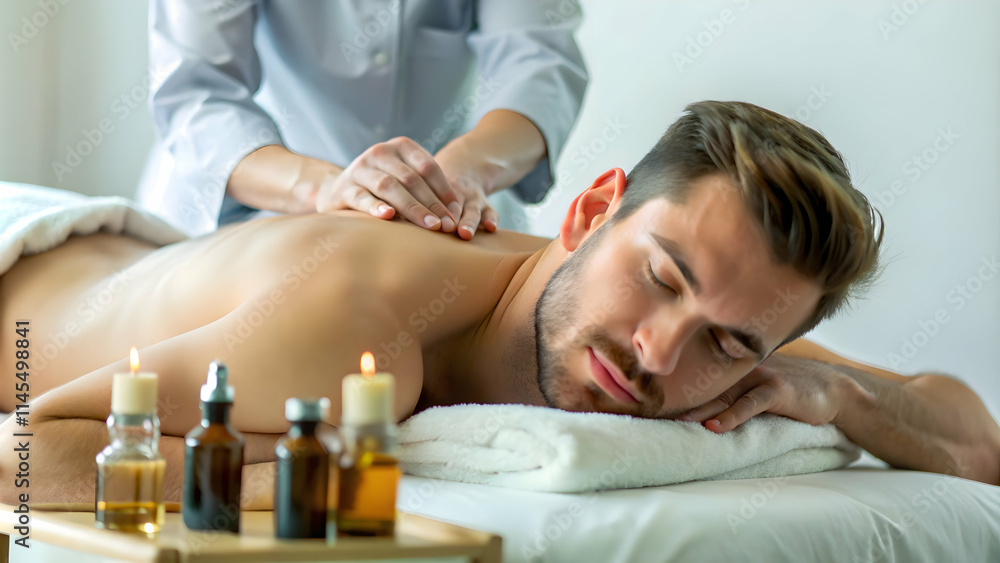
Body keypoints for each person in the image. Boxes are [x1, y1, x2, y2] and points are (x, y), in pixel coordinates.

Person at [2, 102, 998, 510]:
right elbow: (21, 456)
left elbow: (972, 440)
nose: (656, 354)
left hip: (153, 261)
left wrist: (838, 393)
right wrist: (326, 477)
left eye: (728, 340)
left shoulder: (718, 343)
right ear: (591, 208)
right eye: (659, 275)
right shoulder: (361, 337)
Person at [138, 0, 588, 239]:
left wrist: (456, 174)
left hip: (445, 204)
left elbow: (539, 64)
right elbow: (197, 91)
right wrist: (326, 188)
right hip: (249, 194)